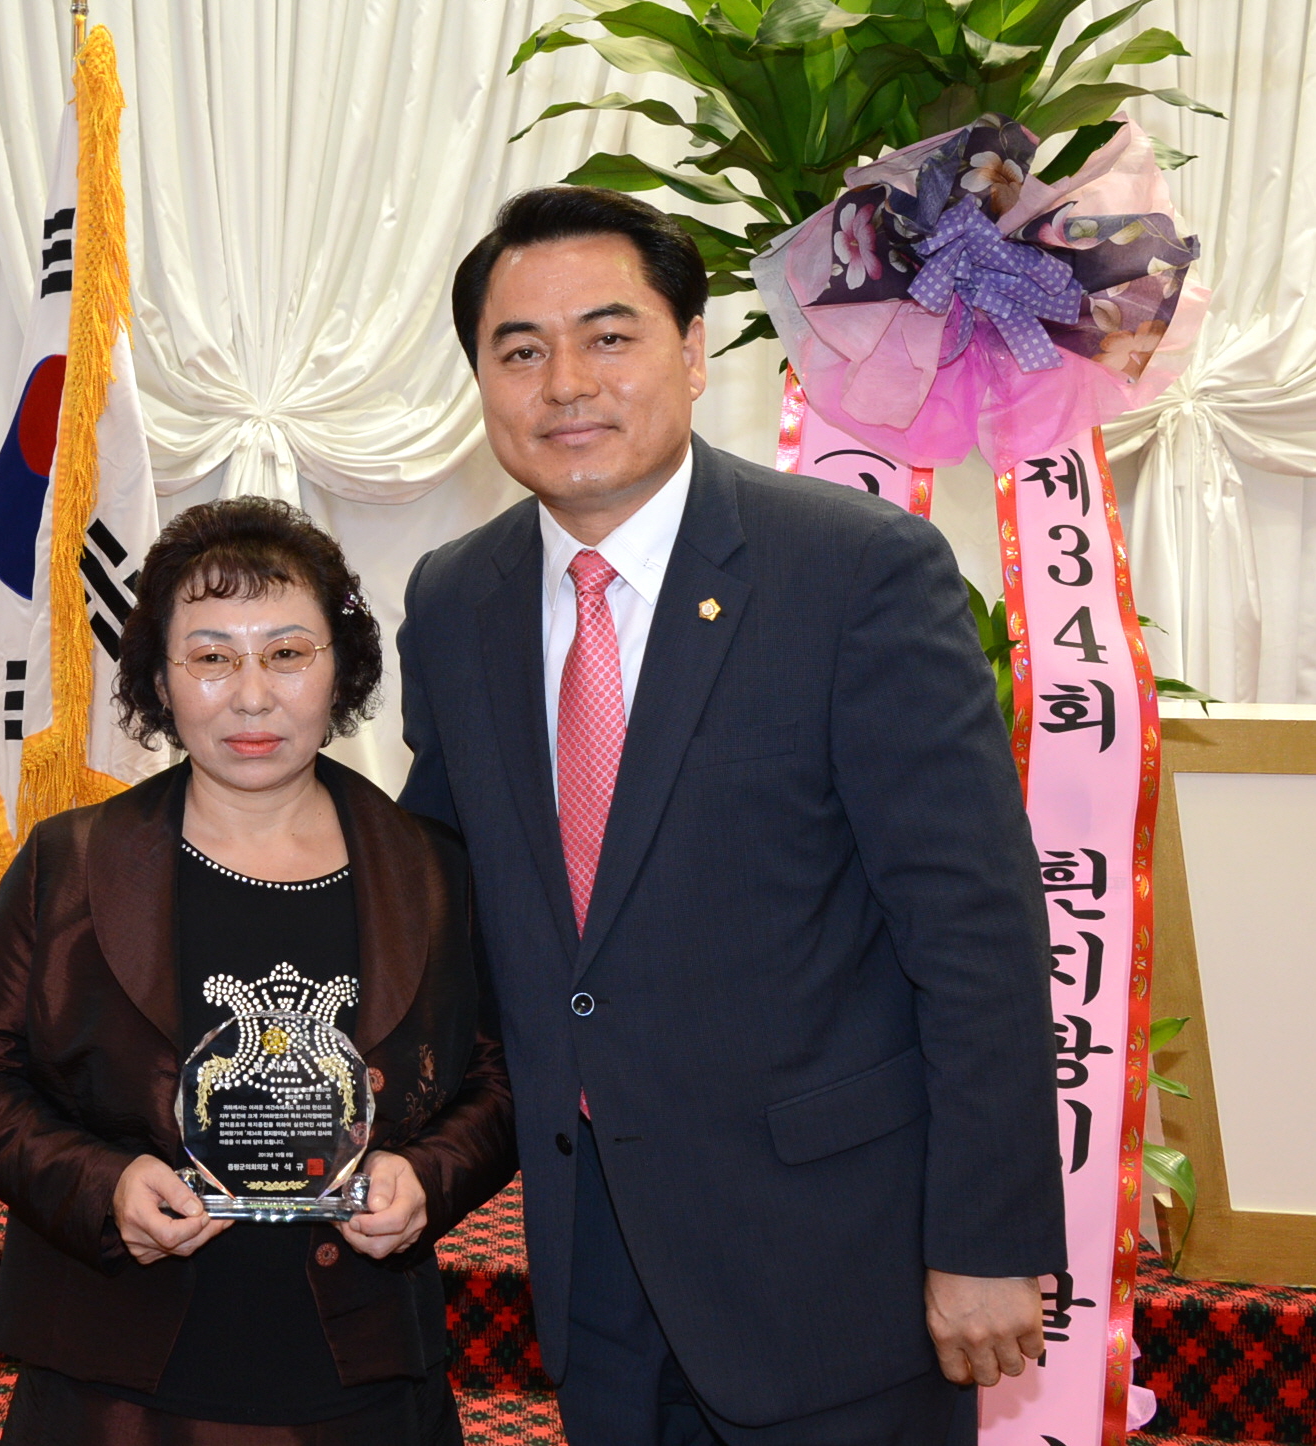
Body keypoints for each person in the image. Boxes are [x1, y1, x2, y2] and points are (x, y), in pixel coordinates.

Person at [396, 186, 1067, 1446]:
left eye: (609, 337)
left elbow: (975, 931)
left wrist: (988, 1237)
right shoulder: (453, 599)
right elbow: (433, 894)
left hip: (833, 1262)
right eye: (519, 351)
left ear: (694, 352)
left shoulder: (856, 571)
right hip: (593, 1253)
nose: (565, 384)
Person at [0, 497, 516, 1446]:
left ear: (341, 667)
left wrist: (427, 1177)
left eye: (287, 653)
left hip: (359, 1371)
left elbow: (500, 1079)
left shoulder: (433, 870)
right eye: (211, 657)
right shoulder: (69, 864)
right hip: (117, 1378)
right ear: (160, 679)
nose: (251, 696)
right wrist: (103, 1186)